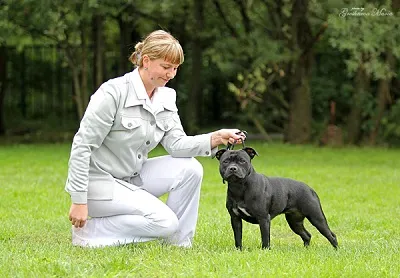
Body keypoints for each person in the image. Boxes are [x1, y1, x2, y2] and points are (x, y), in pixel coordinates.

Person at [65, 29, 246, 248]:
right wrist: (79, 200)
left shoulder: (166, 97)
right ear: (147, 61)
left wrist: (216, 137)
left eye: (176, 68)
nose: (171, 74)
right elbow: (82, 146)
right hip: (99, 184)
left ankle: (178, 243)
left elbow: (176, 145)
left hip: (133, 177)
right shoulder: (112, 93)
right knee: (165, 221)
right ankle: (87, 234)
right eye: (166, 67)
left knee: (191, 169)